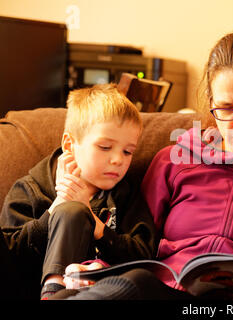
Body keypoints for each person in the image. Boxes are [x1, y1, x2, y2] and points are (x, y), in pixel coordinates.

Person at [55, 31, 233, 300]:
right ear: (211, 103)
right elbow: (136, 249)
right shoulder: (172, 162)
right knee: (135, 283)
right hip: (167, 293)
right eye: (226, 108)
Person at [0, 83, 157, 299]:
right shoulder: (31, 189)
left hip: (98, 293)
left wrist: (94, 222)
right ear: (69, 143)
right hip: (31, 289)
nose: (118, 159)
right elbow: (11, 257)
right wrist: (57, 207)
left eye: (128, 151)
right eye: (104, 147)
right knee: (70, 211)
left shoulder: (126, 195)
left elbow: (144, 256)